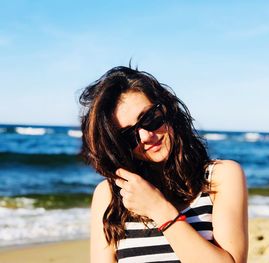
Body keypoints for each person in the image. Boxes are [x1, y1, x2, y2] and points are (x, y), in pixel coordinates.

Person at [79, 66, 248, 263]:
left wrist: (159, 210)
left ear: (167, 108)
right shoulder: (108, 195)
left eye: (149, 119)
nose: (146, 136)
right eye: (128, 135)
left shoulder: (220, 177)